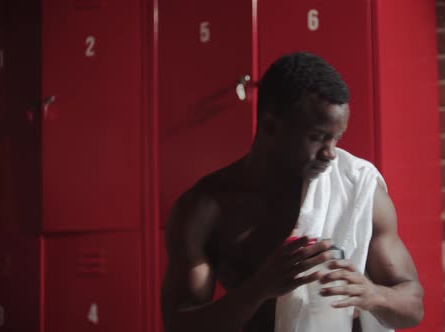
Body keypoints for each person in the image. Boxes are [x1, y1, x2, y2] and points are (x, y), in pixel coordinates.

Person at [161, 52, 424, 332]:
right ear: (270, 126)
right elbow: (178, 325)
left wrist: (372, 294)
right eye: (317, 137)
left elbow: (414, 307)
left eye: (336, 138)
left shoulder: (358, 190)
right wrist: (260, 288)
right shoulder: (206, 208)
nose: (331, 154)